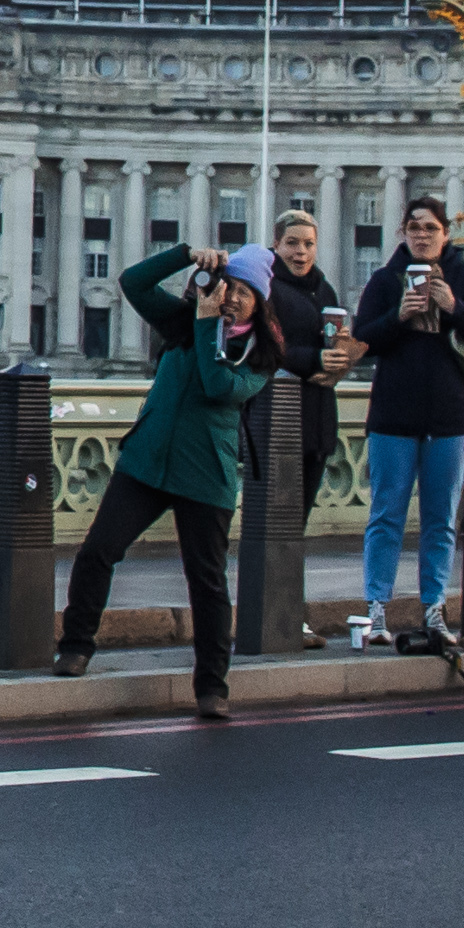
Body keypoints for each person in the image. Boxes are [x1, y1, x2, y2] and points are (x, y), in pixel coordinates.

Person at [55, 237, 265, 713]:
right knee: (98, 552)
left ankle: (212, 687)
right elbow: (132, 281)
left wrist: (210, 324)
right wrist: (186, 255)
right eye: (227, 285)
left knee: (206, 582)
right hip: (147, 460)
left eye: (244, 292)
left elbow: (217, 386)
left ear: (260, 303)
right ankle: (76, 646)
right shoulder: (182, 323)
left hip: (205, 474)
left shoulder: (260, 353)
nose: (231, 296)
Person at [348, 196, 464, 652]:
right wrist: (399, 315)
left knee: (441, 520)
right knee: (386, 514)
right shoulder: (384, 280)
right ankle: (377, 608)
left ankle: (433, 607)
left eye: (430, 228)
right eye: (414, 227)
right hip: (394, 416)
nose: (422, 235)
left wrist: (453, 306)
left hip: (452, 418)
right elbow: (361, 341)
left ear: (445, 235)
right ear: (403, 233)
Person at [259, 215, 353, 642]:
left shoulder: (324, 289)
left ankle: (286, 613)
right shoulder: (264, 288)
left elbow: (332, 345)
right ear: (276, 244)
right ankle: (275, 615)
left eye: (308, 244)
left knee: (295, 526)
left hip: (317, 420)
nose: (300, 252)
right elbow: (264, 346)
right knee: (278, 525)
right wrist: (313, 360)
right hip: (278, 420)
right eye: (292, 243)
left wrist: (341, 357)